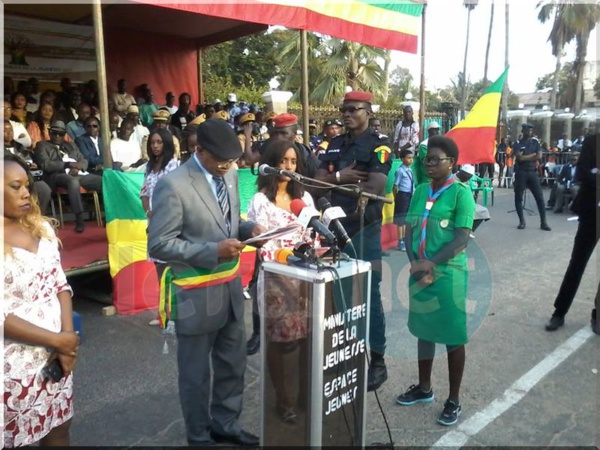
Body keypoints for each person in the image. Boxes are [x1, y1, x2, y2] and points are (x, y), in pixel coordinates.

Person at [147, 118, 264, 447]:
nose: (228, 167)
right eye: (222, 161)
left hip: (228, 288)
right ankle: (199, 437)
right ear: (199, 150)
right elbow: (159, 244)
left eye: (232, 161)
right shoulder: (174, 184)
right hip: (194, 291)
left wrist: (249, 230)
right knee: (196, 374)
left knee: (232, 363)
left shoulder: (227, 172)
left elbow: (229, 220)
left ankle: (226, 423)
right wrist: (213, 250)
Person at [396, 135, 475, 427]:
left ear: (451, 163)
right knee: (424, 331)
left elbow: (461, 238)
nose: (429, 164)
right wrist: (415, 264)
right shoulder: (419, 191)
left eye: (436, 160)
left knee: (454, 337)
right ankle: (424, 388)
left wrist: (430, 264)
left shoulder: (460, 193)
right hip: (419, 272)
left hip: (448, 274)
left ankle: (453, 398)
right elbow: (408, 230)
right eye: (427, 159)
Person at [316, 90, 392, 391]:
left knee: (369, 294)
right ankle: (346, 352)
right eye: (343, 109)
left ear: (368, 112)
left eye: (353, 109)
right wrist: (340, 178)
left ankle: (378, 360)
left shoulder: (380, 145)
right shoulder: (334, 144)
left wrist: (339, 180)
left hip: (365, 230)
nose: (346, 114)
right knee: (340, 293)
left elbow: (375, 185)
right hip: (335, 227)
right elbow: (316, 180)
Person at [3, 154, 80, 447]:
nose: (26, 193)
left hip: (54, 356)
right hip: (11, 367)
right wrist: (58, 340)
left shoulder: (42, 228)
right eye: (14, 186)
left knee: (59, 427)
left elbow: (61, 285)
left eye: (26, 185)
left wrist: (67, 337)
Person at [247, 138, 316, 423]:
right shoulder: (260, 200)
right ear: (271, 164)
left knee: (307, 339)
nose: (287, 167)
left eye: (292, 162)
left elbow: (312, 235)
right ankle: (283, 401)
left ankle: (304, 395)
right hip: (275, 278)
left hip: (305, 278)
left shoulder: (305, 199)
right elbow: (259, 241)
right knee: (281, 341)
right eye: (282, 161)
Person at [545, 134, 599, 334]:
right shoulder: (593, 141)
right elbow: (584, 173)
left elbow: (593, 173)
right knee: (577, 263)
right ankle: (559, 312)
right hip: (591, 212)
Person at [33, 120, 103, 233]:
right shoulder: (42, 145)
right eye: (54, 133)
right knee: (73, 182)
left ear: (64, 135)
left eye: (60, 134)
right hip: (57, 175)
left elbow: (83, 159)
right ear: (50, 133)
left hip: (78, 173)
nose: (57, 136)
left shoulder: (70, 145)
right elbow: (45, 165)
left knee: (104, 181)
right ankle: (80, 219)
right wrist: (68, 164)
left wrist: (79, 167)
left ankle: (110, 215)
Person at [4, 121, 52, 214]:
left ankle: (37, 217)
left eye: (10, 129)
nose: (9, 132)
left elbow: (29, 159)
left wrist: (32, 164)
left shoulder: (19, 146)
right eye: (4, 130)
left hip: (29, 177)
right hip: (9, 180)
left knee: (44, 188)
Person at [513, 123, 551, 231]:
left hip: (532, 172)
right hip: (521, 172)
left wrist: (525, 157)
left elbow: (539, 156)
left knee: (539, 197)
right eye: (527, 130)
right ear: (523, 131)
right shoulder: (518, 143)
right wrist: (532, 156)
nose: (529, 132)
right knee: (518, 197)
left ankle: (543, 222)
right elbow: (519, 158)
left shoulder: (535, 142)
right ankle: (522, 221)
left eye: (530, 130)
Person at [393, 149, 415, 251]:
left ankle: (405, 239)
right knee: (400, 220)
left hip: (409, 195)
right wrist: (396, 197)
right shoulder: (400, 171)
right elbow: (395, 185)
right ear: (402, 159)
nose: (411, 160)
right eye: (409, 158)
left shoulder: (409, 170)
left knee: (406, 218)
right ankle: (400, 241)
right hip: (402, 195)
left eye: (412, 158)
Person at [412, 121, 441, 186]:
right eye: (435, 130)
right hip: (427, 176)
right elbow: (427, 160)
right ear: (429, 131)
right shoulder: (424, 145)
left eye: (437, 130)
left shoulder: (439, 143)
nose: (437, 132)